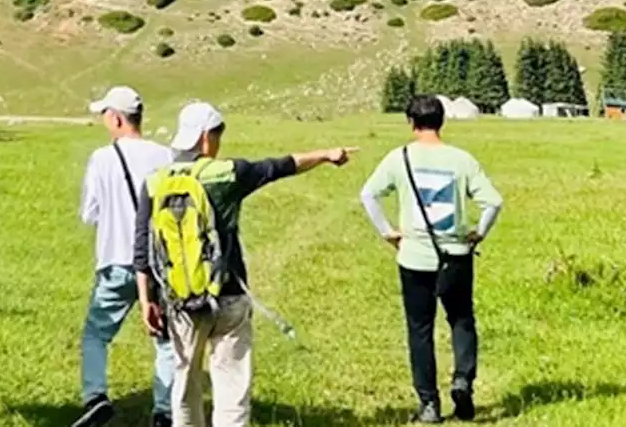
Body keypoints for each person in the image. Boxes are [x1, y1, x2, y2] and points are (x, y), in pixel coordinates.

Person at [133, 101, 356, 427]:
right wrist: (326, 154)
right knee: (232, 385)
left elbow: (141, 248)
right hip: (229, 295)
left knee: (184, 384)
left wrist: (146, 300)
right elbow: (280, 166)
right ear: (206, 137)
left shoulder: (154, 181)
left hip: (179, 300)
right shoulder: (227, 173)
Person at [358, 94, 504, 424]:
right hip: (455, 256)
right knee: (462, 320)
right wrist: (479, 231)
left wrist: (387, 231)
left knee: (420, 329)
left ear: (411, 122)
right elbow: (493, 202)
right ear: (442, 121)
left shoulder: (400, 158)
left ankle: (428, 404)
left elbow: (368, 194)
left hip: (415, 256)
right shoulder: (462, 160)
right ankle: (463, 381)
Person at [74, 86, 175, 427]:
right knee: (165, 339)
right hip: (159, 264)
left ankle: (96, 396)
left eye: (105, 114)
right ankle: (164, 411)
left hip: (115, 259)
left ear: (116, 118)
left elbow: (89, 213)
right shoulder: (167, 155)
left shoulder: (102, 159)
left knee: (96, 334)